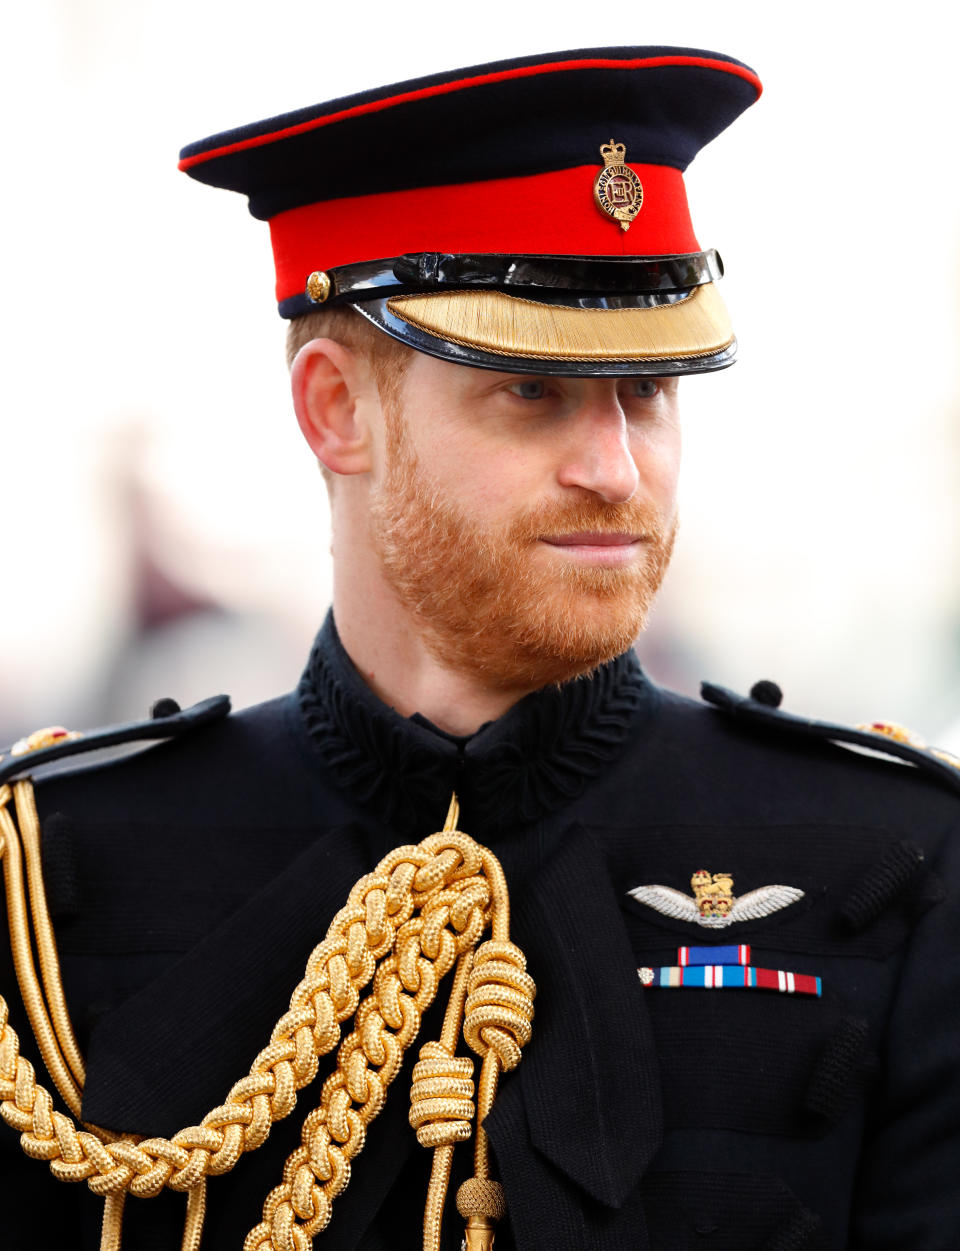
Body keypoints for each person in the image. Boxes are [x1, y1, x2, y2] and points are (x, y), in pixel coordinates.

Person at [2, 44, 959, 1251]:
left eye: (650, 392)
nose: (616, 469)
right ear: (335, 411)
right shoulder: (57, 875)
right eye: (532, 392)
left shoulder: (891, 864)